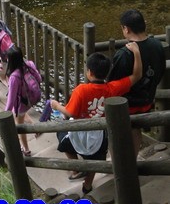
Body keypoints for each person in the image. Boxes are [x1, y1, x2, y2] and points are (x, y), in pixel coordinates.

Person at [50, 42, 142, 195]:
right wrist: (137, 52)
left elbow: (70, 113)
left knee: (61, 135)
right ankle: (87, 186)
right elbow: (137, 75)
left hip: (78, 131)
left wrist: (56, 105)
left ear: (89, 72)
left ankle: (76, 168)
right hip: (99, 134)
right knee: (97, 159)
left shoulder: (81, 90)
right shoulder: (112, 88)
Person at [108, 9, 166, 156]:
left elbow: (114, 85)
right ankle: (132, 161)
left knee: (118, 133)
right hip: (147, 99)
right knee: (136, 131)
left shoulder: (124, 54)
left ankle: (120, 164)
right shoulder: (157, 45)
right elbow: (160, 71)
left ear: (126, 29)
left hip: (127, 105)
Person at [5, 46, 41, 156]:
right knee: (22, 114)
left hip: (22, 103)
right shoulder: (29, 64)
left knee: (19, 125)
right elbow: (39, 78)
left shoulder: (14, 77)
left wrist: (5, 114)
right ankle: (35, 128)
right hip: (32, 98)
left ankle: (26, 149)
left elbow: (11, 100)